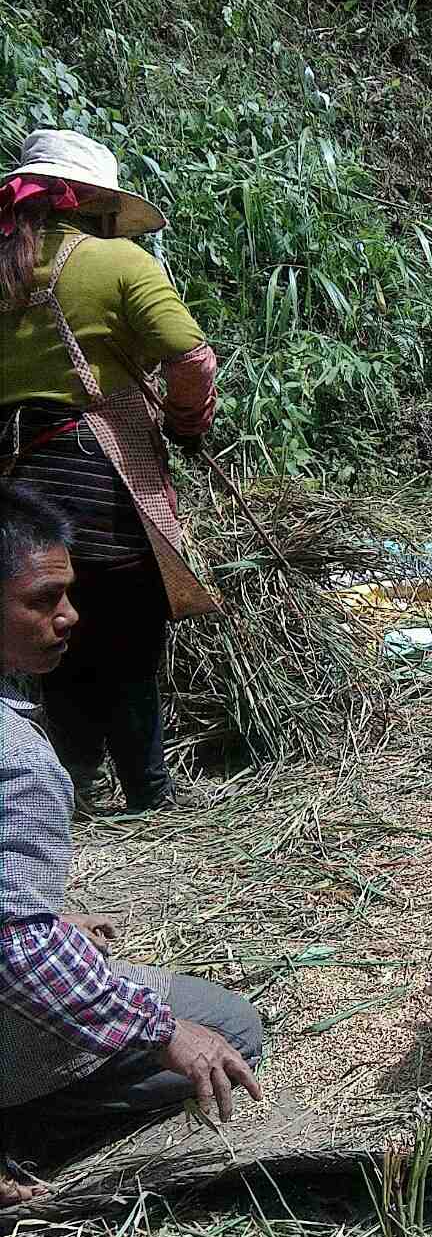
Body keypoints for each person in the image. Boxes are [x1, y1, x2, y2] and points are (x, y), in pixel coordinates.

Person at [0, 483, 261, 1208]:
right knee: (228, 1028)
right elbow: (16, 954)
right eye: (43, 599)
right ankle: (23, 1129)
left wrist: (42, 915)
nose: (69, 615)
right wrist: (161, 1031)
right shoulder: (18, 760)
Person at [0, 128, 219, 813]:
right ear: (93, 202)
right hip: (100, 474)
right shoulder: (117, 261)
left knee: (54, 631)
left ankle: (72, 782)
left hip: (17, 480)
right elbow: (191, 359)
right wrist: (187, 423)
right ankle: (149, 789)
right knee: (130, 633)